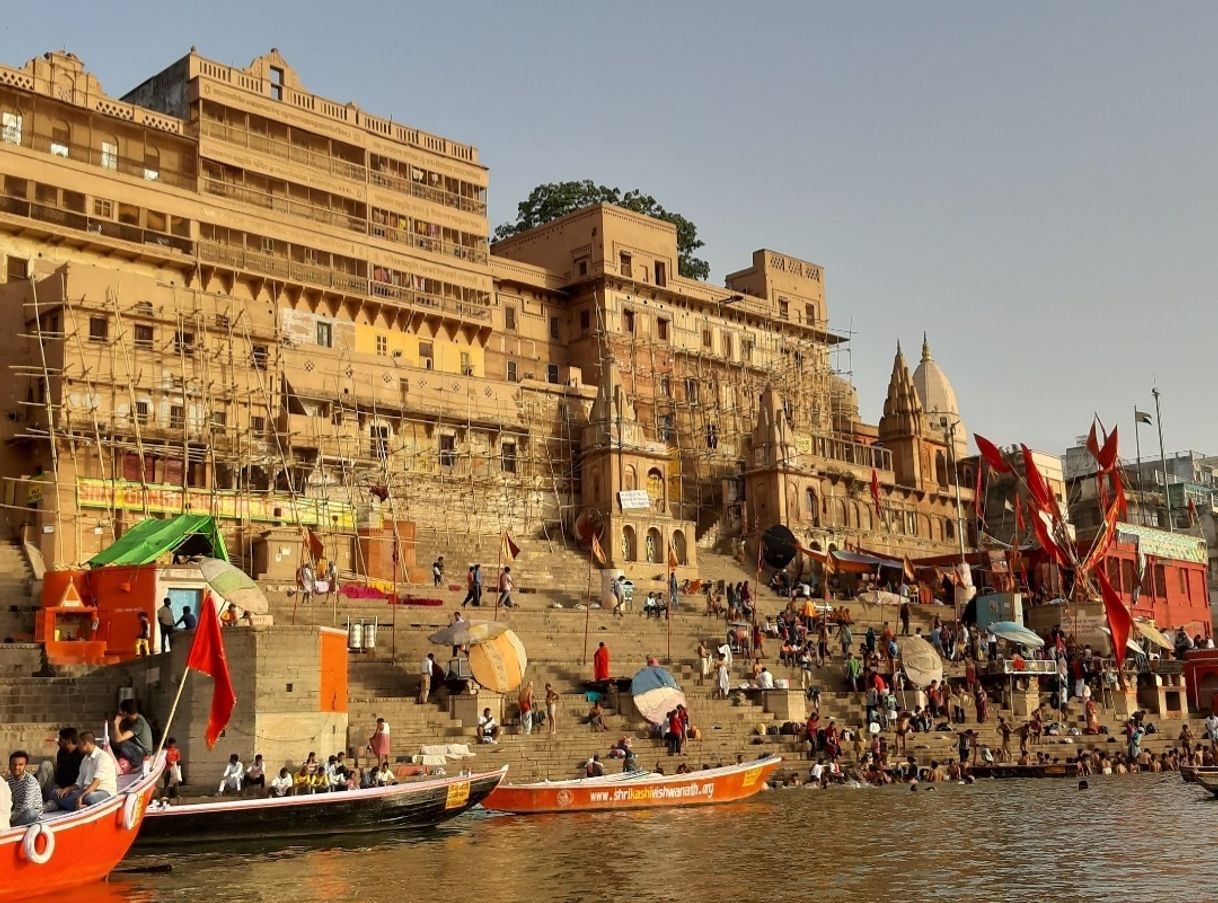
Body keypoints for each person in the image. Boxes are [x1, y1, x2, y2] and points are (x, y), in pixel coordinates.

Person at [60, 731, 116, 810]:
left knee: (88, 798)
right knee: (55, 794)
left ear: (85, 743)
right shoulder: (84, 759)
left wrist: (81, 797)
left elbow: (96, 782)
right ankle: (78, 805)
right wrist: (68, 789)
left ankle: (75, 804)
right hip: (85, 791)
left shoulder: (102, 757)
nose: (77, 746)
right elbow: (79, 783)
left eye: (79, 743)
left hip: (103, 791)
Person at [45, 726, 84, 806]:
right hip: (58, 786)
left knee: (55, 801)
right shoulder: (61, 752)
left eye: (60, 740)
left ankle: (53, 802)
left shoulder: (81, 755)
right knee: (46, 765)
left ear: (68, 741)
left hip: (72, 789)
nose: (58, 742)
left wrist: (68, 789)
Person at [111, 699, 153, 771]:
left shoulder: (139, 722)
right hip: (137, 750)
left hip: (143, 754)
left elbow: (119, 739)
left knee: (122, 743)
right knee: (112, 743)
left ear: (125, 712)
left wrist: (116, 724)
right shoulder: (133, 720)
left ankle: (137, 764)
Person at [7, 751, 43, 826]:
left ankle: (9, 826)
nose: (16, 767)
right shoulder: (10, 779)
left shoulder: (29, 781)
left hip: (30, 814)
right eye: (14, 764)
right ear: (9, 765)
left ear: (25, 766)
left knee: (30, 813)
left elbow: (26, 806)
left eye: (20, 765)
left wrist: (9, 818)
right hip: (16, 812)